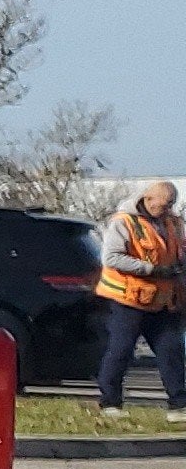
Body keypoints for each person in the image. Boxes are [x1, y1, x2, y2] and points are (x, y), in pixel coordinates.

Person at [97, 178, 186, 419]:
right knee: (121, 350)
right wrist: (150, 269)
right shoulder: (124, 222)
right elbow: (112, 258)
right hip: (128, 299)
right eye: (165, 204)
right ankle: (110, 402)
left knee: (171, 351)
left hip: (163, 300)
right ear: (148, 199)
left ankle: (179, 405)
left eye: (172, 205)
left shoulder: (174, 223)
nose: (168, 209)